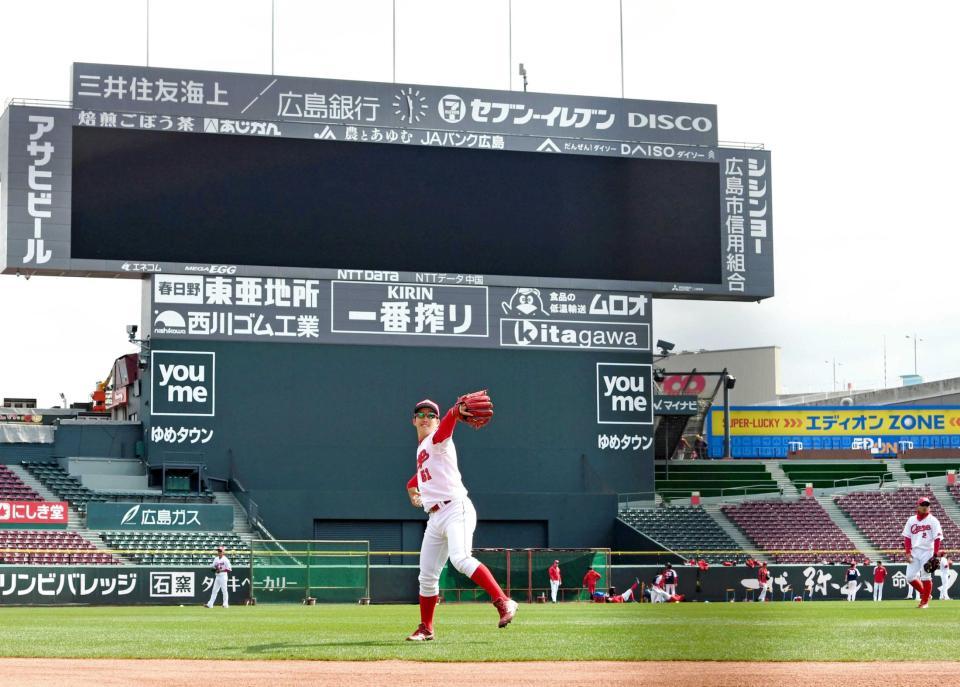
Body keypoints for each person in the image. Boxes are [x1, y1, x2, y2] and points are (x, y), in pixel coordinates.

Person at [404, 397, 517, 641]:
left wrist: (453, 412)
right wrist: (411, 487)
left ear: (435, 421)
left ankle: (504, 602)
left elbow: (446, 427)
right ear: (414, 420)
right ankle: (426, 627)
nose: (426, 418)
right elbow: (422, 476)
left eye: (431, 415)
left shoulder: (438, 440)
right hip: (435, 517)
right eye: (421, 414)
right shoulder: (422, 448)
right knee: (426, 576)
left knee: (461, 559)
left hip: (456, 509)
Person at [903, 496, 943, 609]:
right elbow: (907, 537)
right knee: (910, 577)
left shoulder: (933, 520)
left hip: (927, 551)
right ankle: (925, 593)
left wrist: (935, 554)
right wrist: (907, 552)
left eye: (927, 505)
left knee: (926, 576)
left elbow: (937, 538)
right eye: (923, 505)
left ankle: (924, 602)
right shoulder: (911, 520)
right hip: (915, 551)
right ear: (918, 506)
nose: (925, 507)